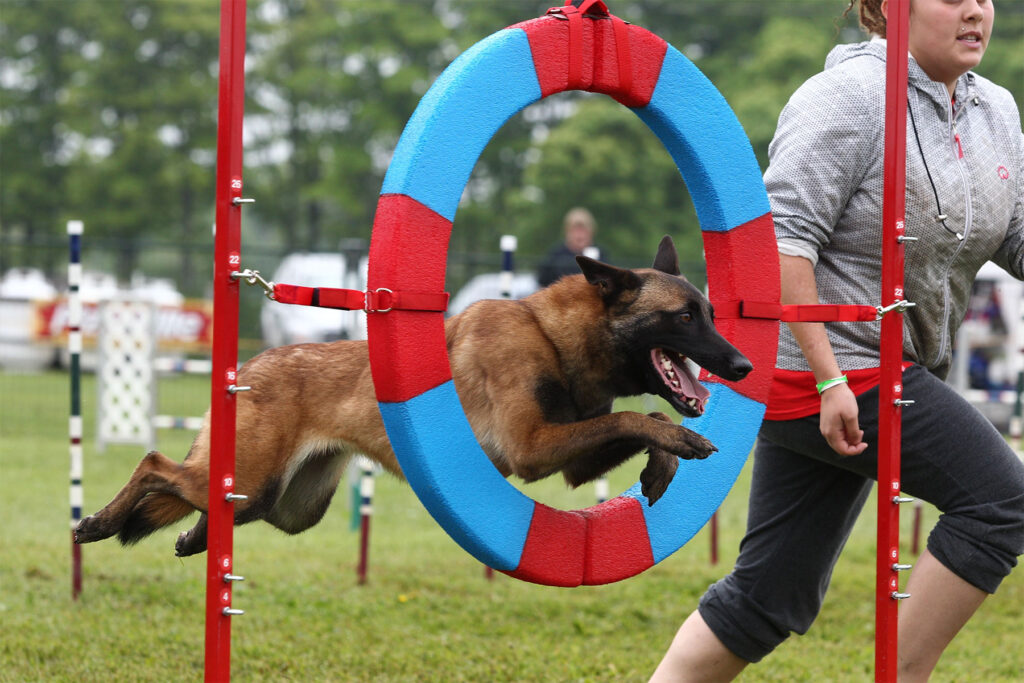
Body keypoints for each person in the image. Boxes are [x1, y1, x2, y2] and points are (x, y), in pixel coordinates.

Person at [651, 0, 1024, 680]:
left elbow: (1015, 237)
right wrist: (829, 379)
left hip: (886, 368)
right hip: (823, 369)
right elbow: (781, 247)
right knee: (1001, 499)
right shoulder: (845, 99)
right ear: (889, 7)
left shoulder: (996, 110)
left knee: (768, 595)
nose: (975, 10)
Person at [536, 207, 604, 286]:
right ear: (567, 232)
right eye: (575, 230)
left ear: (591, 232)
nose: (579, 235)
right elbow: (543, 281)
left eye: (583, 230)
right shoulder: (555, 255)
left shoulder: (601, 255)